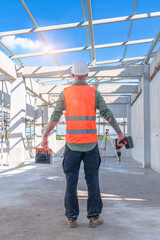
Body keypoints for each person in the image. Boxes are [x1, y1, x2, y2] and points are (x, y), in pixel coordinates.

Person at [41, 60, 124, 228]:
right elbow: (107, 113)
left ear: (73, 75)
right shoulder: (94, 93)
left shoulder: (65, 93)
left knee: (71, 182)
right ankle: (94, 217)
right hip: (91, 145)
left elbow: (55, 117)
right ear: (87, 75)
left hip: (72, 145)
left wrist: (45, 136)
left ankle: (71, 218)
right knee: (92, 181)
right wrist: (120, 133)